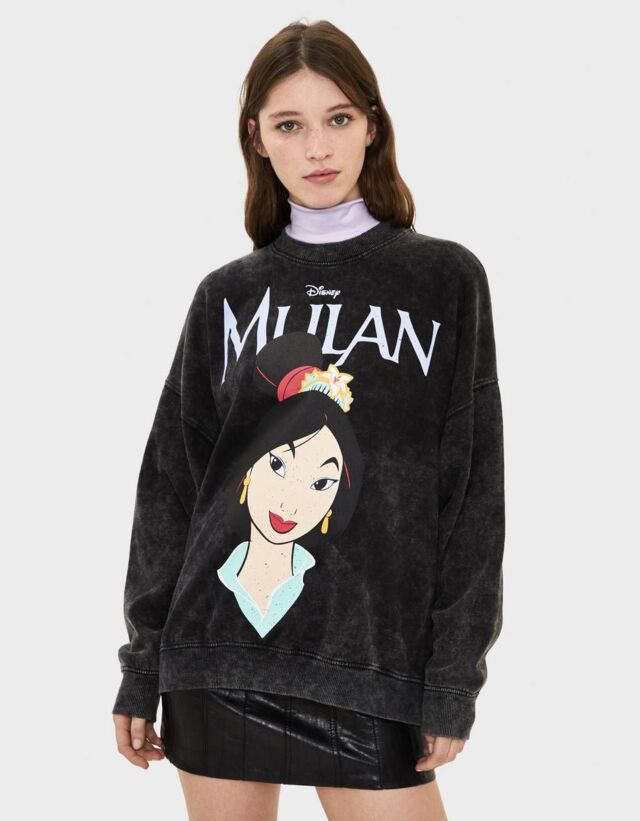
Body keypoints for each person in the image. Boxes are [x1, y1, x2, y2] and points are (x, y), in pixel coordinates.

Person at [112, 18, 505, 821]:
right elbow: (172, 489)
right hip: (217, 656)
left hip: (371, 666)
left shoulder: (444, 280)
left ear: (372, 126)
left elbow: (472, 492)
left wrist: (451, 678)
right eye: (289, 125)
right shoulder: (227, 296)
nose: (317, 147)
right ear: (257, 138)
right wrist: (142, 664)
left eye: (338, 118)